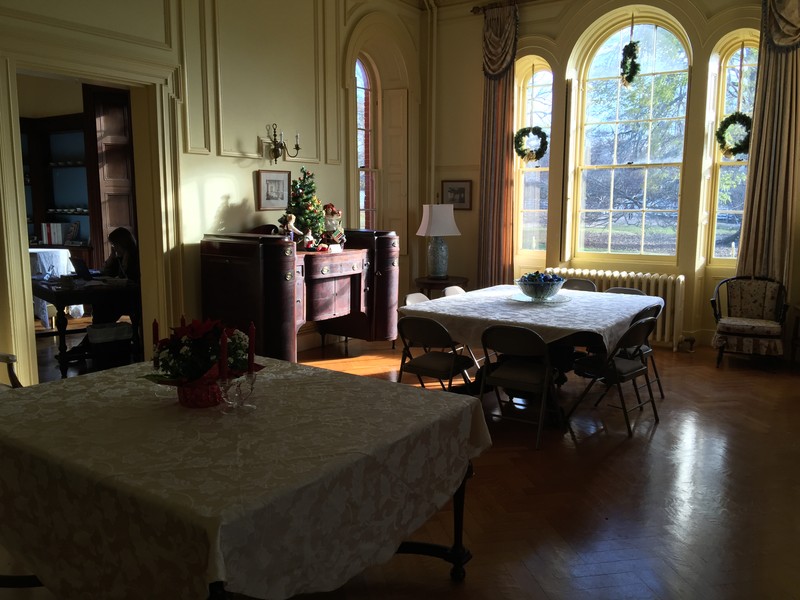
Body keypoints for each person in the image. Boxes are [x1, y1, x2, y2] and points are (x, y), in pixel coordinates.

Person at [66, 227, 140, 357]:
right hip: (120, 296)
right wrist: (112, 258)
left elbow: (132, 280)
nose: (114, 248)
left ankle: (90, 345)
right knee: (101, 307)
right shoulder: (118, 258)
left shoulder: (134, 257)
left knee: (104, 310)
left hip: (132, 298)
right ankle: (91, 345)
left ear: (122, 243)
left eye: (115, 245)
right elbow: (106, 272)